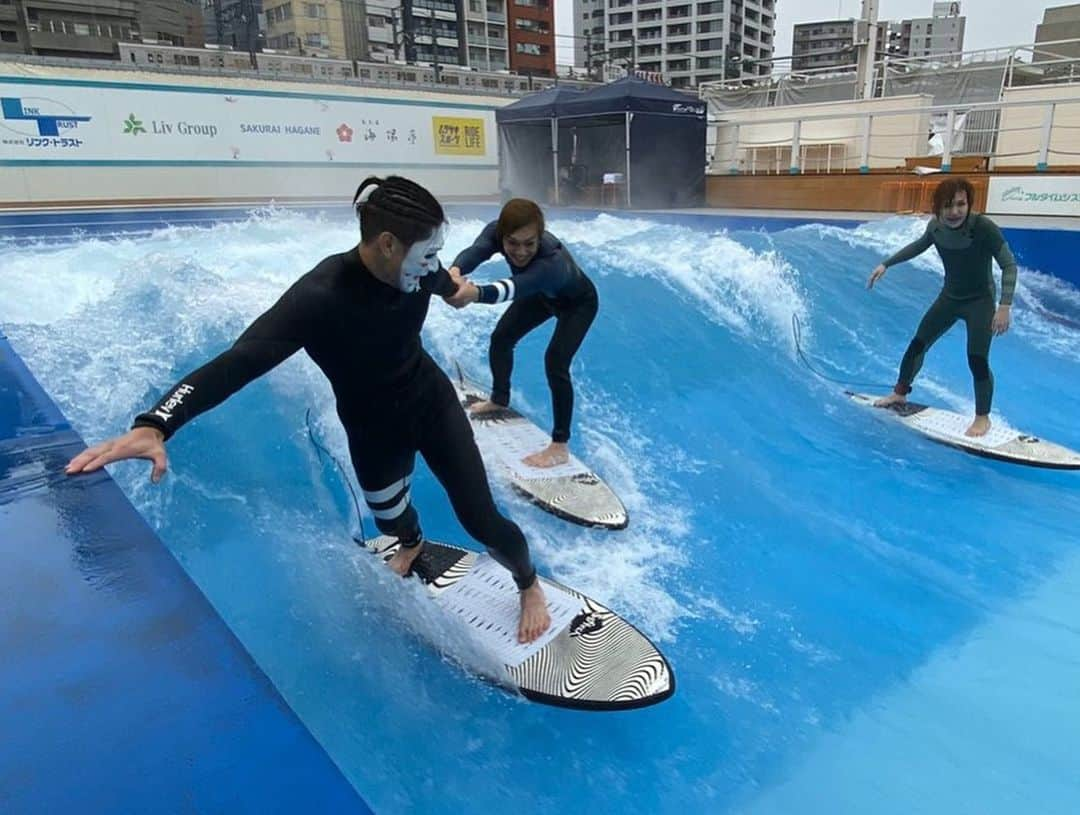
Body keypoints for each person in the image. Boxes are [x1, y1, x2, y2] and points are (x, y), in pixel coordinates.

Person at [65, 176, 551, 643]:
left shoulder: (419, 271)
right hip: (373, 429)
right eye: (425, 255)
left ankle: (529, 584)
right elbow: (240, 361)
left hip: (431, 403)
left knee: (480, 519)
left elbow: (450, 286)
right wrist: (157, 423)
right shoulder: (321, 297)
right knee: (390, 520)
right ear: (386, 244)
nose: (432, 266)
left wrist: (471, 292)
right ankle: (413, 544)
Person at [444, 198, 598, 468]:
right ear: (502, 234)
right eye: (512, 243)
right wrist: (455, 272)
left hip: (577, 304)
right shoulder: (495, 232)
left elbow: (512, 288)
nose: (521, 251)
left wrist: (473, 293)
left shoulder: (552, 262)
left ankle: (559, 446)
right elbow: (476, 251)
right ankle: (499, 399)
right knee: (501, 338)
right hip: (542, 296)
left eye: (530, 243)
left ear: (540, 238)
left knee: (555, 362)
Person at [867, 177, 1018, 437]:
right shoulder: (936, 227)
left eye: (961, 204)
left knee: (977, 359)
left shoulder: (983, 227)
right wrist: (887, 263)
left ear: (970, 204)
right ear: (938, 207)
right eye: (948, 206)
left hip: (979, 302)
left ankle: (982, 418)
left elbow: (1009, 265)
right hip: (949, 298)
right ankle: (899, 394)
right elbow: (918, 246)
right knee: (918, 343)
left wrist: (1004, 306)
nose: (955, 211)